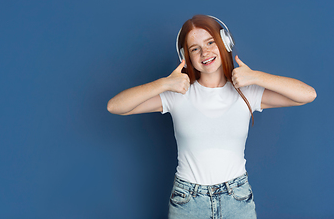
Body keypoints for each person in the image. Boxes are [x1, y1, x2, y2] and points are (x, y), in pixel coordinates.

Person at [107, 15, 316, 219]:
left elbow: (307, 95)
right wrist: (164, 84)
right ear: (185, 56)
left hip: (237, 198)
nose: (204, 52)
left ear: (225, 42)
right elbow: (116, 106)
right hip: (187, 201)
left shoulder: (246, 92)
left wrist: (256, 77)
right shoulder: (178, 93)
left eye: (210, 42)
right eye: (194, 48)